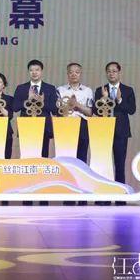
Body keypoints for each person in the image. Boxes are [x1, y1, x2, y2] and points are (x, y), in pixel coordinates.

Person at [92, 61, 136, 206]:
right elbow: (95, 111)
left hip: (120, 131)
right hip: (103, 131)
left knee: (119, 164)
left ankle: (120, 197)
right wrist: (104, 99)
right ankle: (103, 197)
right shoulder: (100, 90)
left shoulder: (128, 90)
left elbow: (131, 110)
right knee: (103, 165)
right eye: (109, 71)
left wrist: (119, 99)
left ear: (119, 73)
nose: (111, 74)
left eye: (114, 71)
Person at [56, 63, 93, 206]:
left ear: (80, 74)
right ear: (67, 74)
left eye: (77, 72)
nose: (74, 74)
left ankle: (82, 196)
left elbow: (89, 112)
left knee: (81, 161)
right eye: (71, 72)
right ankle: (68, 196)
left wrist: (77, 104)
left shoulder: (87, 91)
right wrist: (69, 105)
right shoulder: (60, 90)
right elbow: (58, 110)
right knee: (67, 162)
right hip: (66, 125)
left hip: (82, 125)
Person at [13, 59, 57, 158]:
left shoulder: (50, 88)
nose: (34, 72)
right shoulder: (21, 88)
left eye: (37, 70)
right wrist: (28, 100)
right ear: (28, 72)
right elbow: (15, 107)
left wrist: (42, 102)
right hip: (26, 126)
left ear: (41, 71)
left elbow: (54, 109)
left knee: (43, 156)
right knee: (26, 156)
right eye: (31, 70)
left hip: (44, 126)